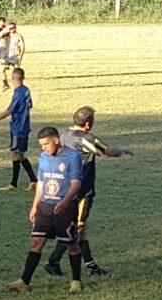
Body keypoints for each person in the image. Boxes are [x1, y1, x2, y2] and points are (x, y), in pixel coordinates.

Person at [43, 106, 133, 277]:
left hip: (63, 189)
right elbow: (110, 152)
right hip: (81, 192)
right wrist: (123, 150)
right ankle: (54, 262)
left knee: (77, 228)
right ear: (88, 124)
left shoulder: (64, 135)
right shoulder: (86, 138)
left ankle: (89, 265)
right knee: (77, 229)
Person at [6, 126, 85, 294]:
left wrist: (65, 201)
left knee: (71, 245)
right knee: (36, 242)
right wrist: (35, 205)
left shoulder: (72, 157)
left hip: (65, 208)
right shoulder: (43, 157)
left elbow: (76, 183)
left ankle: (76, 280)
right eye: (41, 145)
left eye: (46, 144)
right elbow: (41, 183)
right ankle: (24, 282)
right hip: (45, 207)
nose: (44, 148)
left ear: (56, 140)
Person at [0, 67, 38, 192]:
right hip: (25, 126)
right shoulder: (26, 90)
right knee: (20, 154)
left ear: (13, 78)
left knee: (15, 153)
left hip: (18, 127)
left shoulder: (18, 93)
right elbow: (30, 105)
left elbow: (8, 111)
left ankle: (14, 184)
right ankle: (33, 180)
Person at [0, 23, 25, 91]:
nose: (13, 29)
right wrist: (6, 28)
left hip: (15, 55)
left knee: (16, 72)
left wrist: (20, 55)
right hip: (7, 56)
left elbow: (22, 46)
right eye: (11, 28)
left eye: (14, 28)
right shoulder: (6, 35)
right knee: (1, 70)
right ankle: (5, 84)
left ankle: (19, 86)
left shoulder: (18, 36)